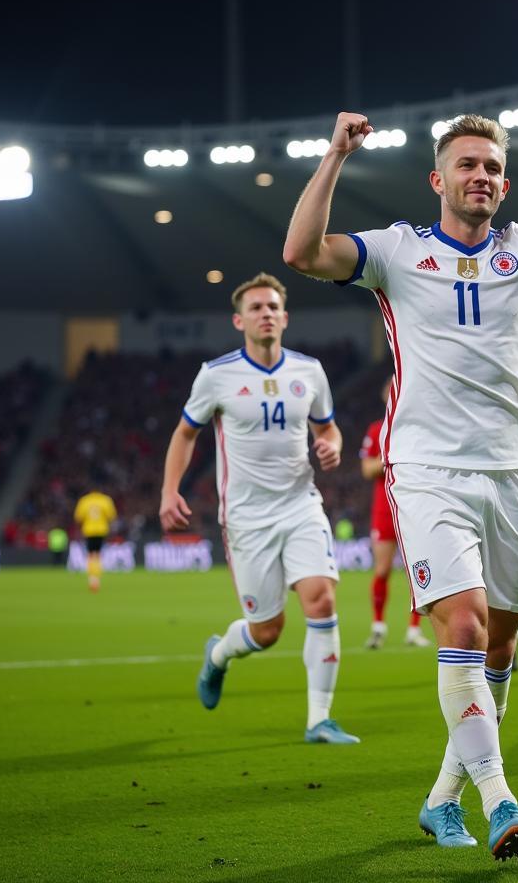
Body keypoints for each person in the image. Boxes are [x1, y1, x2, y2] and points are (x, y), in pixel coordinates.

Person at [283, 69, 518, 860]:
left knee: (502, 648)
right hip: (427, 471)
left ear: (504, 185)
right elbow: (303, 250)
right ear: (437, 178)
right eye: (467, 165)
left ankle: (442, 799)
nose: (480, 176)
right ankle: (500, 799)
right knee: (467, 626)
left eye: (492, 168)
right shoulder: (397, 252)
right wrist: (334, 156)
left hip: (510, 472)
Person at [159, 272, 359, 745]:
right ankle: (218, 657)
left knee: (322, 598)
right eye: (256, 308)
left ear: (285, 318)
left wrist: (331, 446)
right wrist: (170, 491)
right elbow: (185, 433)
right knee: (267, 630)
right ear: (239, 320)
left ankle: (319, 720)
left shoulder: (308, 371)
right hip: (247, 519)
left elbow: (328, 429)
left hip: (301, 504)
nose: (266, 314)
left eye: (273, 307)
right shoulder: (217, 374)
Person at [361, 377, 430, 649]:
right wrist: (393, 458)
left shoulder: (420, 428)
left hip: (415, 505)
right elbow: (367, 469)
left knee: (419, 569)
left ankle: (414, 630)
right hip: (385, 507)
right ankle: (378, 626)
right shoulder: (377, 429)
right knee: (382, 568)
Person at [74, 481, 117, 592]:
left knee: (90, 554)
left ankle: (92, 578)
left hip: (89, 530)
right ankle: (96, 579)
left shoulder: (84, 500)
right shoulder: (105, 500)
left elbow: (78, 517)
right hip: (101, 530)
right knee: (98, 554)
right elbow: (111, 516)